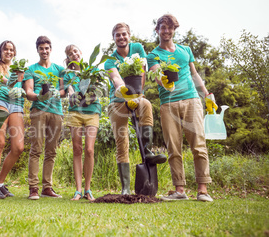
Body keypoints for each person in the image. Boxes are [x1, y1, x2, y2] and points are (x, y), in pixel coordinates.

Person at [147, 14, 216, 202]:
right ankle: (180, 190)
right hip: (168, 104)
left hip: (192, 100)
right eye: (163, 27)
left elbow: (194, 74)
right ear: (157, 30)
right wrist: (164, 82)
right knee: (173, 148)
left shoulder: (185, 50)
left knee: (198, 145)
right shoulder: (153, 55)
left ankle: (202, 190)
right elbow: (155, 75)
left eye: (170, 28)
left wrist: (206, 93)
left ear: (174, 30)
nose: (166, 31)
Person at [104, 22, 167, 195]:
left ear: (129, 35)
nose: (121, 37)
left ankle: (147, 152)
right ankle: (125, 188)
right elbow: (116, 78)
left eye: (124, 34)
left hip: (137, 97)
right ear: (114, 38)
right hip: (117, 102)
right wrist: (125, 93)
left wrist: (137, 95)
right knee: (122, 141)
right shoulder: (109, 60)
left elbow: (141, 71)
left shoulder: (138, 47)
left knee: (146, 104)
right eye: (118, 35)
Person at [23, 36, 65, 200]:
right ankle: (33, 187)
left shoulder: (59, 69)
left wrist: (54, 93)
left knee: (51, 151)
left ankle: (47, 187)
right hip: (38, 111)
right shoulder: (31, 69)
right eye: (41, 48)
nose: (44, 51)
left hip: (56, 112)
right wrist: (40, 96)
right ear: (38, 50)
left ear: (51, 49)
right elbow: (29, 92)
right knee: (36, 149)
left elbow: (63, 91)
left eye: (47, 48)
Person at [0, 40, 25, 199]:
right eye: (5, 49)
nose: (8, 52)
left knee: (18, 147)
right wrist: (16, 80)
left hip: (17, 104)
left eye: (11, 50)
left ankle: (0, 182)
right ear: (1, 52)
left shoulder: (20, 70)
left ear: (15, 53)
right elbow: (5, 82)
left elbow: (28, 87)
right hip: (1, 101)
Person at [63, 44, 100, 201]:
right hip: (75, 113)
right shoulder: (67, 75)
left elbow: (98, 90)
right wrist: (72, 93)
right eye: (71, 53)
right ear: (69, 58)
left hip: (92, 112)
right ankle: (78, 190)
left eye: (76, 51)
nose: (74, 54)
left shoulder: (92, 71)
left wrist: (91, 95)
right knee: (77, 149)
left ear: (81, 53)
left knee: (89, 150)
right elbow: (69, 90)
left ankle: (87, 189)